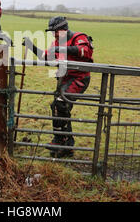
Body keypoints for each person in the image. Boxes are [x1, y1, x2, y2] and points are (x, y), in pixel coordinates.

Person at [23, 17, 94, 157]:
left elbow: (85, 51)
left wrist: (60, 48)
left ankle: (63, 142)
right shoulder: (56, 42)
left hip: (79, 78)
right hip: (64, 79)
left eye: (55, 31)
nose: (53, 34)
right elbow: (46, 57)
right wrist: (31, 46)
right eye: (52, 32)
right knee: (57, 107)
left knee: (61, 104)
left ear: (63, 29)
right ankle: (63, 142)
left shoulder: (78, 37)